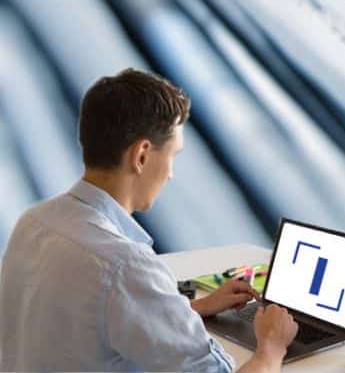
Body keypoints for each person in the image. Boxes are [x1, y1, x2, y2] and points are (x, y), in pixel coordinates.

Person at [0, 68, 297, 372]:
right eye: (172, 155)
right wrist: (272, 347)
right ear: (141, 155)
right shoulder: (124, 266)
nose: (170, 173)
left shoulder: (34, 222)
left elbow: (80, 324)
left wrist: (189, 310)